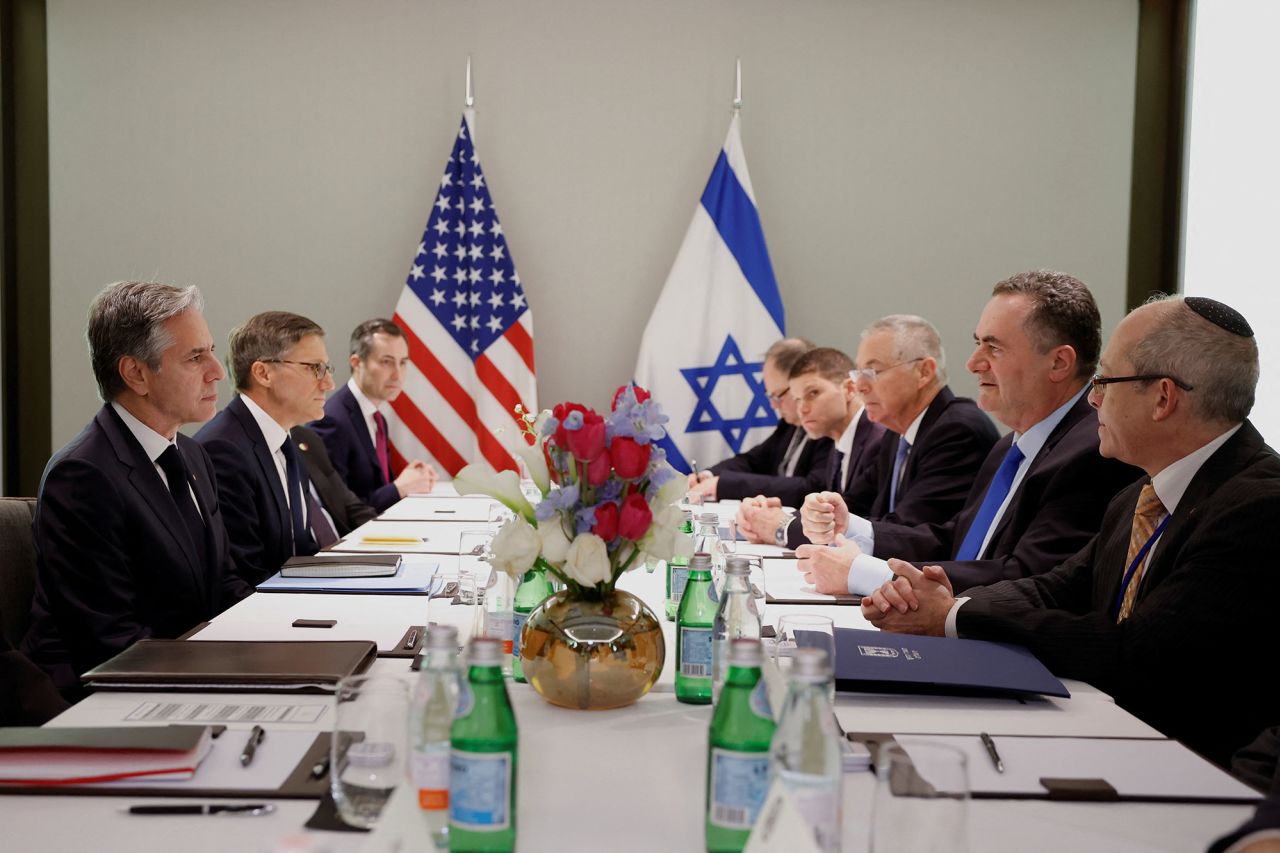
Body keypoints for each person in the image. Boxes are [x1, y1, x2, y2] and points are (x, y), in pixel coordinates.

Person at [862, 295, 1280, 770]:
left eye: (1104, 379)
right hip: (1116, 741)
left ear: (1163, 398)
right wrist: (943, 606)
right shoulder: (1141, 494)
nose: (1094, 397)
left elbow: (1137, 653)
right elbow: (1055, 587)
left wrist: (953, 618)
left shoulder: (1258, 506)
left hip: (1198, 778)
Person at [798, 271, 1138, 595]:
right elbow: (958, 542)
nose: (973, 363)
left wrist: (864, 574)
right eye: (978, 344)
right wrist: (856, 530)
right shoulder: (1010, 447)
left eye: (994, 348)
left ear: (1059, 363)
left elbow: (1029, 576)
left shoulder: (1093, 451)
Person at [23, 281, 249, 691]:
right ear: (136, 374)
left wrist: (280, 640)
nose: (218, 371)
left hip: (186, 667)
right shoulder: (82, 476)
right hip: (106, 695)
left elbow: (224, 583)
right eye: (196, 357)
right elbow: (110, 642)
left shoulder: (193, 455)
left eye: (211, 351)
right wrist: (227, 674)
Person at [740, 314, 997, 550]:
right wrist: (790, 517)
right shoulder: (897, 434)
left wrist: (781, 527)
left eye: (873, 372)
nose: (860, 386)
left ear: (924, 372)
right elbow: (852, 506)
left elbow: (910, 532)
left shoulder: (956, 431)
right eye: (859, 373)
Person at [196, 311, 342, 586]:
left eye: (326, 369)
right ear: (263, 373)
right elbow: (248, 577)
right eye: (314, 368)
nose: (328, 383)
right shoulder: (224, 451)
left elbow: (302, 549)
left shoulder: (285, 437)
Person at [732, 347, 886, 548]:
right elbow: (835, 514)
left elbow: (859, 524)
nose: (802, 409)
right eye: (797, 399)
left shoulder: (879, 441)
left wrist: (778, 524)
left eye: (813, 393)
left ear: (849, 389)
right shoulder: (837, 441)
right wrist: (776, 516)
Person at [686, 337, 833, 506]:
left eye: (778, 395)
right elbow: (753, 461)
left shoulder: (829, 425)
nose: (772, 405)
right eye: (769, 395)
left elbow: (811, 489)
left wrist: (724, 485)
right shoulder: (790, 424)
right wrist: (709, 476)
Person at [311, 319, 437, 512]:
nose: (397, 374)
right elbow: (340, 511)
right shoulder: (332, 421)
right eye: (386, 362)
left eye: (402, 363)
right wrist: (400, 488)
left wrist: (412, 479)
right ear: (357, 363)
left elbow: (374, 489)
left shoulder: (377, 418)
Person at [291, 425, 377, 535]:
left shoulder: (306, 437)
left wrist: (382, 533)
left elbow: (351, 506)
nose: (325, 406)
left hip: (344, 543)